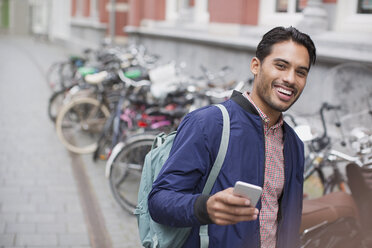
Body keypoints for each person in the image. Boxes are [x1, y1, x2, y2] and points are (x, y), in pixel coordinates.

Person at [148, 26, 316, 248]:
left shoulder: (293, 143)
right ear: (256, 66)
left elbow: (289, 222)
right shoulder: (207, 124)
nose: (290, 79)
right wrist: (204, 207)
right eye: (281, 66)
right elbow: (159, 200)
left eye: (300, 72)